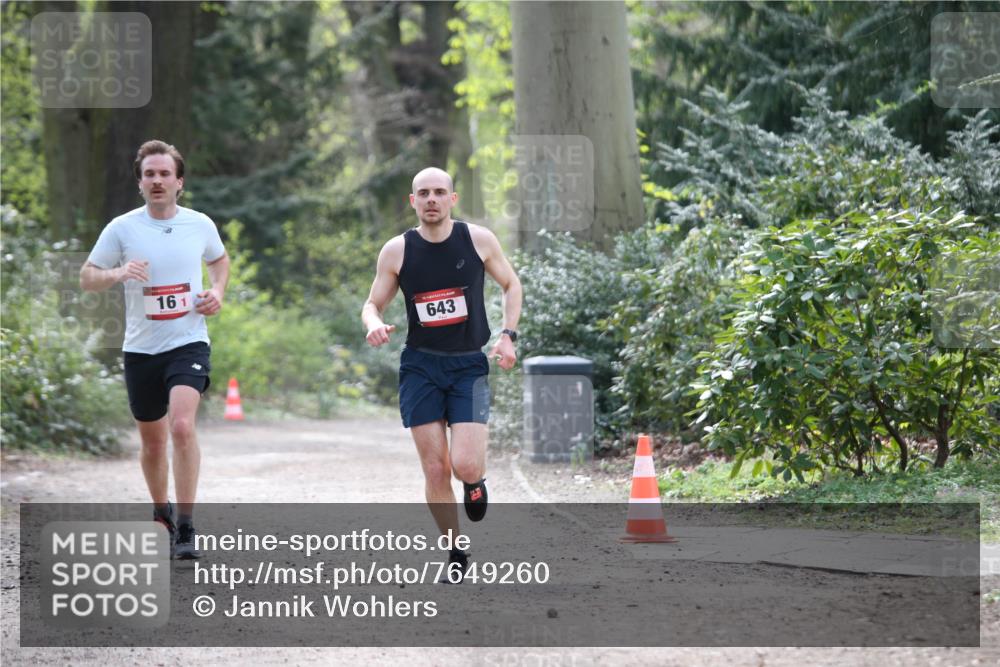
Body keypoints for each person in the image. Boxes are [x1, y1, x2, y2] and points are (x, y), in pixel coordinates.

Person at [362, 167, 522, 582]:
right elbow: (372, 304)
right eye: (423, 193)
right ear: (412, 201)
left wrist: (508, 336)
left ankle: (474, 482)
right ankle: (455, 551)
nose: (431, 199)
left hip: (468, 365)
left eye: (438, 192)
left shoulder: (478, 240)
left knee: (465, 464)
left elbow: (511, 284)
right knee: (435, 470)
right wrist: (373, 323)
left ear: (452, 199)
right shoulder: (397, 250)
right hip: (421, 367)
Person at [80, 140, 229, 559]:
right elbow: (87, 278)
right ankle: (161, 510)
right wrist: (119, 272)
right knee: (152, 443)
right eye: (150, 174)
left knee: (181, 427)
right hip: (141, 349)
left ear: (179, 182)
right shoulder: (122, 228)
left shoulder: (199, 224)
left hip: (188, 342)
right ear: (140, 183)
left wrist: (217, 292)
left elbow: (219, 261)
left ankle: (187, 526)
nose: (157, 180)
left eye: (165, 174)